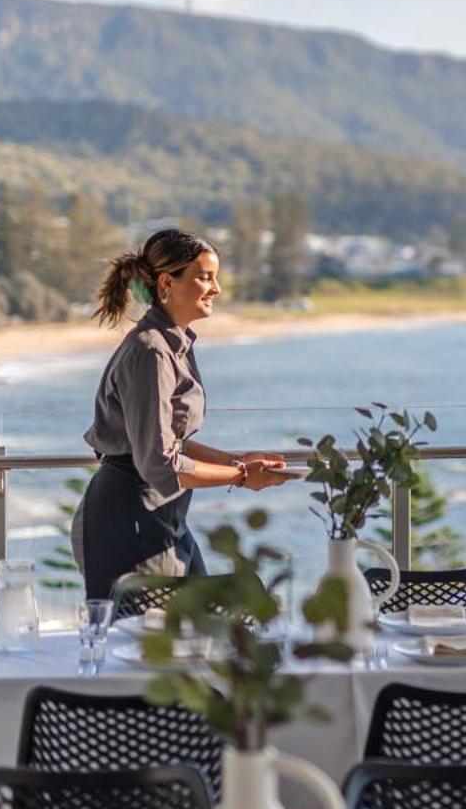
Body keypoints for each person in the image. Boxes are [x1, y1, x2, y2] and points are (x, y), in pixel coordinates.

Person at [73, 228, 299, 601]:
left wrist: (237, 460)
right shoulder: (152, 352)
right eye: (205, 277)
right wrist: (242, 476)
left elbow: (172, 441)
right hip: (129, 519)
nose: (217, 289)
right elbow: (160, 464)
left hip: (159, 514)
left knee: (189, 632)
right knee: (152, 641)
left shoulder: (172, 344)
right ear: (167, 282)